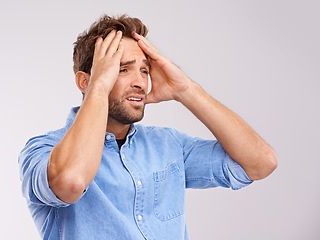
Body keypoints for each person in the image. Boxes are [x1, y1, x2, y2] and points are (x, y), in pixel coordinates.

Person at [18, 14, 277, 240]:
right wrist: (99, 87)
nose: (140, 83)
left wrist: (186, 90)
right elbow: (71, 181)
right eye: (122, 69)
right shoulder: (44, 150)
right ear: (84, 81)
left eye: (144, 70)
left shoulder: (169, 144)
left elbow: (261, 162)